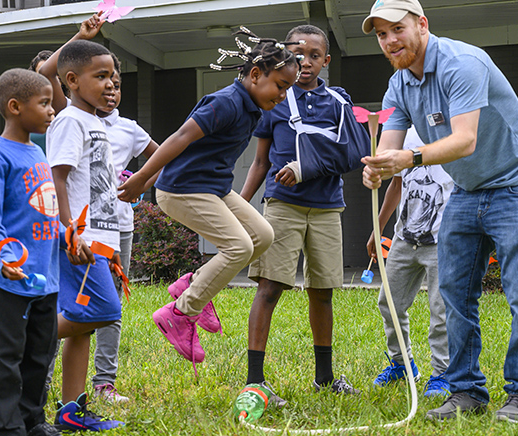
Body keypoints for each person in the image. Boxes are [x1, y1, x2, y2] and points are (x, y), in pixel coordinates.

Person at [361, 0, 518, 425]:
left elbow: (465, 140)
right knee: (455, 294)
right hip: (468, 190)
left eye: (398, 29)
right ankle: (466, 391)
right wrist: (377, 169)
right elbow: (389, 147)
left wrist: (407, 159)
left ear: (422, 25)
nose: (390, 40)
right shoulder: (399, 83)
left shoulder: (462, 63)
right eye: (382, 34)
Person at [118, 30, 301, 373]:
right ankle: (179, 313)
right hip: (183, 190)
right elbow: (180, 139)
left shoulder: (253, 107)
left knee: (262, 234)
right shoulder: (226, 102)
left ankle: (190, 283)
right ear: (256, 74)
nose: (283, 94)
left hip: (212, 187)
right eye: (280, 85)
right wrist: (143, 179)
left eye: (288, 88)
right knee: (239, 247)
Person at [239, 24, 369, 401]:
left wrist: (306, 166)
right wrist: (240, 206)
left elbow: (351, 153)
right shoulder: (276, 100)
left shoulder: (338, 102)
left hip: (328, 207)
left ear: (326, 61)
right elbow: (260, 162)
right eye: (298, 54)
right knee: (270, 287)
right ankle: (255, 380)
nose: (305, 62)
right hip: (283, 205)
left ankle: (324, 377)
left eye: (314, 56)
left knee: (323, 290)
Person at [0, 69, 71, 436]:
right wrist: (2, 256)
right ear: (16, 107)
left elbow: (45, 213)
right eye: (45, 103)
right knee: (6, 355)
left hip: (45, 278)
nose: (52, 110)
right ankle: (6, 428)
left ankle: (33, 421)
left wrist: (69, 239)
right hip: (11, 278)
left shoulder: (38, 152)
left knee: (39, 353)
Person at [44, 39, 124, 432]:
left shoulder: (96, 121)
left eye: (113, 77)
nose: (111, 84)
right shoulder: (70, 121)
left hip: (99, 239)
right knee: (105, 312)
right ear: (72, 81)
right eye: (101, 76)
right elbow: (57, 178)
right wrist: (69, 232)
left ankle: (70, 412)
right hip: (79, 239)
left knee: (85, 325)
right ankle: (29, 333)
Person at [90, 57, 158, 403]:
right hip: (81, 229)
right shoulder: (72, 122)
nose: (111, 90)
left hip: (120, 227)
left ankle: (104, 383)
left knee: (112, 304)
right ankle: (44, 374)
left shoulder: (129, 128)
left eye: (116, 85)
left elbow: (160, 157)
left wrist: (140, 182)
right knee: (74, 303)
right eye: (104, 83)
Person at [368, 125, 453, 399]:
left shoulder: (455, 130)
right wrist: (378, 226)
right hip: (405, 237)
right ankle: (402, 364)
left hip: (442, 239)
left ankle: (442, 374)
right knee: (389, 302)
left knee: (441, 311)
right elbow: (397, 184)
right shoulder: (406, 132)